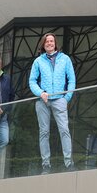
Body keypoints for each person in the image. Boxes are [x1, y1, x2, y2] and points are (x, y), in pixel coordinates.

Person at [29, 33, 76, 175]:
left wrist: (66, 98)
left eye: (52, 41)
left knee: (64, 130)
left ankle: (68, 163)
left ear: (55, 44)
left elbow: (72, 80)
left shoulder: (65, 59)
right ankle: (46, 165)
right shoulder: (38, 61)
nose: (49, 43)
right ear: (43, 44)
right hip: (43, 101)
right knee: (44, 132)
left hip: (59, 99)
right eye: (47, 41)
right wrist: (40, 92)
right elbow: (32, 81)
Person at [0, 57, 15, 155]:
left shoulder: (7, 78)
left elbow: (11, 96)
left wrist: (5, 109)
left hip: (2, 117)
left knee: (4, 140)